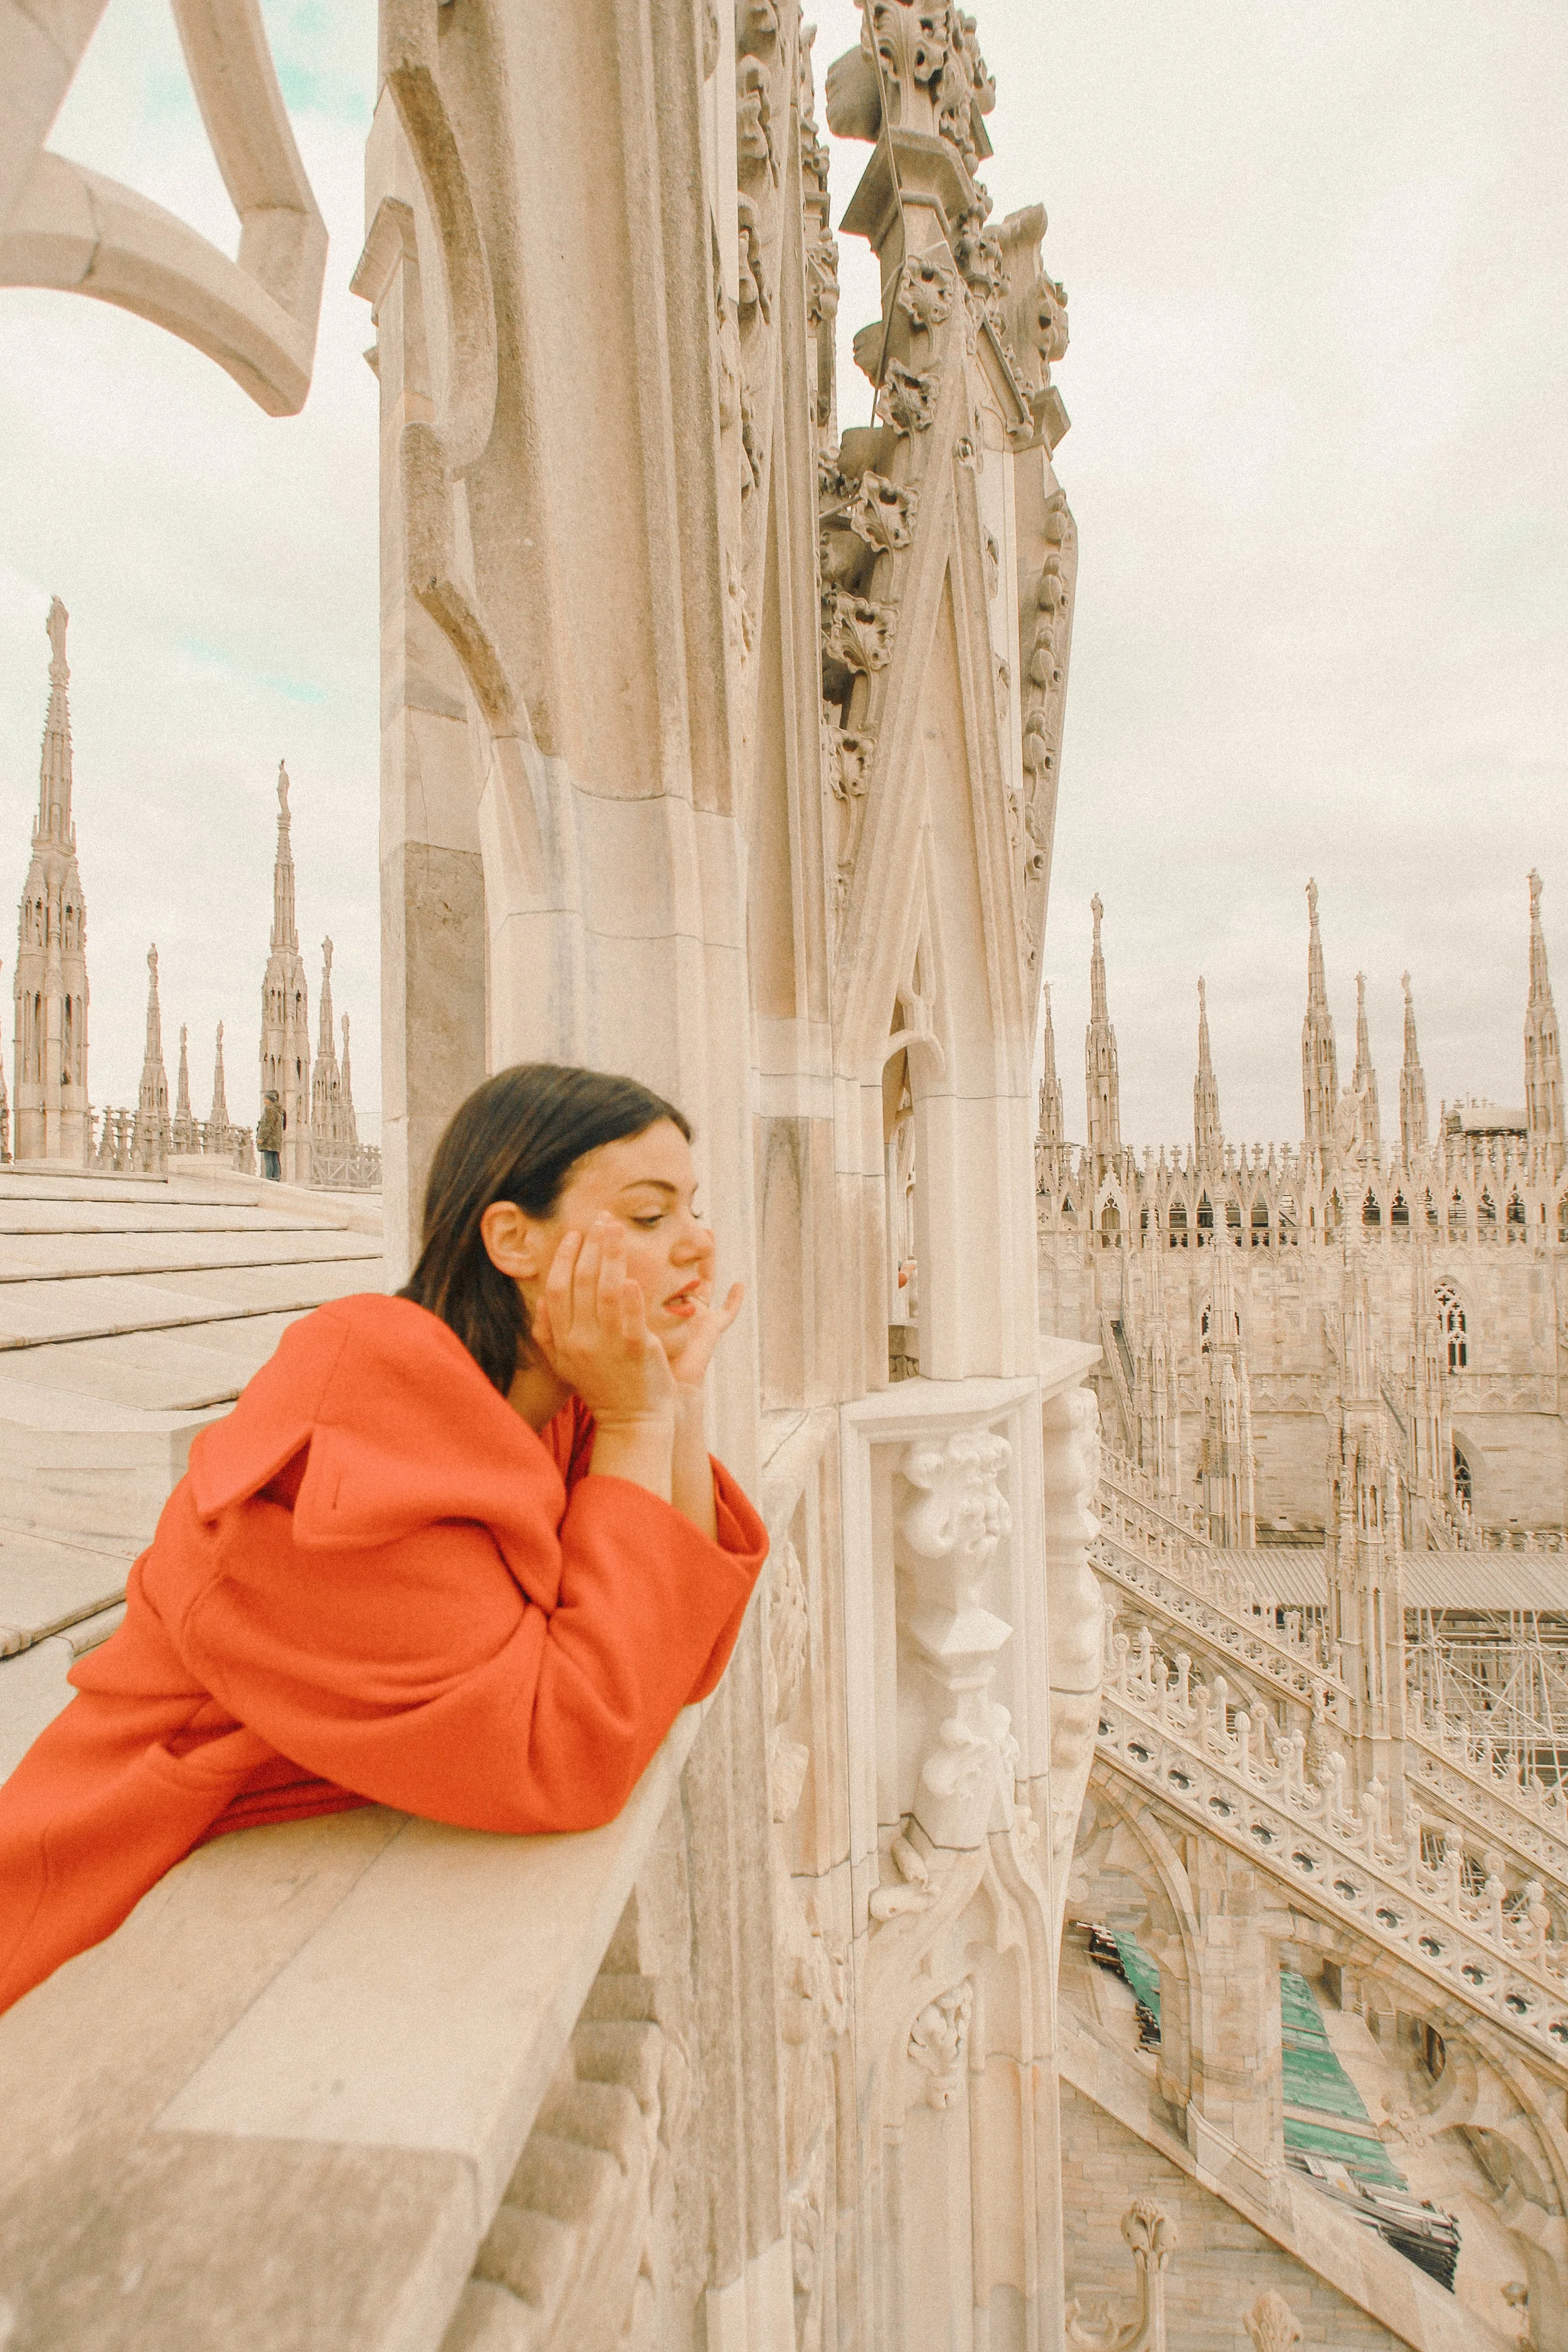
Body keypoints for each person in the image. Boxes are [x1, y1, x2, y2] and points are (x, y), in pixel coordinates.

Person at [0, 1062, 766, 2015]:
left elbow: (672, 1651)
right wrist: (641, 1426)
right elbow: (572, 1752)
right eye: (652, 1217)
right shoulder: (360, 1420)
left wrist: (672, 1403)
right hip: (82, 1918)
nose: (701, 1243)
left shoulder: (552, 1403)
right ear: (513, 1238)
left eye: (696, 1208)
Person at [256, 1088, 283, 1180]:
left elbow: (268, 1125)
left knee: (268, 1158)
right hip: (277, 1139)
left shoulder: (270, 1109)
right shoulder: (279, 1111)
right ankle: (277, 1176)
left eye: (267, 1099)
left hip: (270, 1139)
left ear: (271, 1100)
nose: (265, 1101)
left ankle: (270, 1177)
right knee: (275, 1157)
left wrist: (262, 1138)